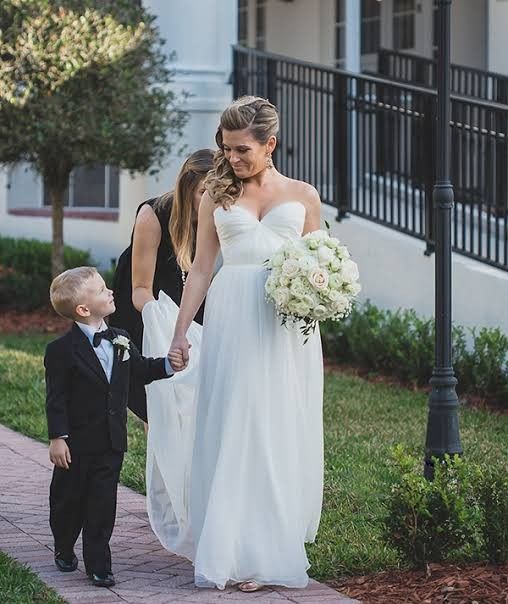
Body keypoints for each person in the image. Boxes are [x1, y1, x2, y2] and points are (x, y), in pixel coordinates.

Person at [144, 96, 324, 592]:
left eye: (243, 150)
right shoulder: (215, 195)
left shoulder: (304, 196)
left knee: (275, 425)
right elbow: (201, 268)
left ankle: (270, 549)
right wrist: (180, 331)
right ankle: (232, 548)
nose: (233, 159)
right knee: (233, 421)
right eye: (226, 149)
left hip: (285, 324)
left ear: (271, 144)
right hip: (232, 316)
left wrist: (320, 294)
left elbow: (323, 260)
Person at [44, 266, 177, 588]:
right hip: (75, 445)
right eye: (102, 290)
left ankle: (99, 565)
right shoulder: (61, 351)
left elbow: (141, 370)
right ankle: (63, 545)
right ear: (83, 309)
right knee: (67, 502)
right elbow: (56, 398)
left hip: (110, 443)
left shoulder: (121, 338)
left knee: (102, 505)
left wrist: (169, 364)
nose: (111, 292)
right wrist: (57, 438)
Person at [109, 149, 214, 422]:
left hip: (190, 293)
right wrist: (169, 322)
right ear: (187, 188)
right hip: (147, 303)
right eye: (205, 191)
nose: (213, 199)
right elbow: (140, 290)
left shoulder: (217, 213)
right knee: (156, 397)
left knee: (196, 388)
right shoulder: (152, 214)